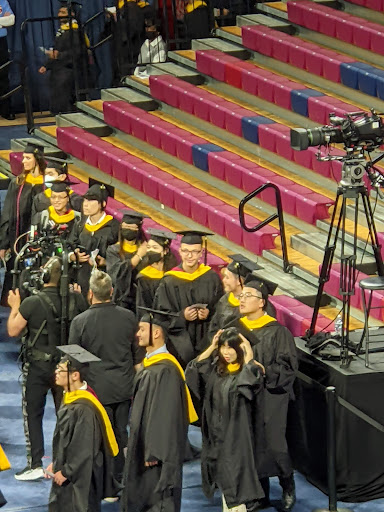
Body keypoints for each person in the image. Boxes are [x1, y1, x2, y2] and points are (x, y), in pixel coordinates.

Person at [7, 257, 87, 481]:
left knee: (33, 414)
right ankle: (65, 461)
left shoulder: (32, 302)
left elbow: (13, 330)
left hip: (38, 367)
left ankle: (35, 464)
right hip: (67, 368)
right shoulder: (77, 299)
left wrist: (15, 307)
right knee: (68, 414)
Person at [226, 277, 298, 511]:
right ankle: (259, 494)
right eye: (241, 295)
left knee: (275, 445)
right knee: (251, 443)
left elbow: (288, 368)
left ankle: (287, 484)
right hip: (245, 393)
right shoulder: (235, 327)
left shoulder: (278, 332)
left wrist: (266, 370)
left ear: (262, 302)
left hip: (271, 395)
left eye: (248, 296)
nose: (242, 299)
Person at [68, 269, 143, 485]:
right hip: (123, 387)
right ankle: (121, 476)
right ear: (111, 291)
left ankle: (105, 482)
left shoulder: (80, 322)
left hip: (95, 389)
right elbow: (136, 355)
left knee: (99, 435)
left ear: (90, 294)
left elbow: (75, 361)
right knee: (120, 432)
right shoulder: (129, 317)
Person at [121, 308, 198, 512]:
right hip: (145, 446)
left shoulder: (165, 370)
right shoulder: (151, 366)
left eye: (142, 329)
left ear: (156, 333)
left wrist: (154, 451)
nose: (137, 334)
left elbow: (165, 416)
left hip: (157, 454)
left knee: (157, 499)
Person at [186, 327, 265, 512]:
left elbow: (248, 388)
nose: (226, 352)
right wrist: (212, 346)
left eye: (231, 348)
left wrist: (249, 359)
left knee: (235, 479)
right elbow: (194, 370)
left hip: (236, 435)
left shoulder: (251, 371)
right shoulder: (217, 369)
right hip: (215, 433)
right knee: (223, 477)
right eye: (223, 347)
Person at [45, 345, 118, 512]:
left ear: (75, 375)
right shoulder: (71, 398)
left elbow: (84, 448)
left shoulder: (84, 408)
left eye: (61, 369)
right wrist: (56, 463)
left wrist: (66, 471)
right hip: (68, 471)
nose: (56, 372)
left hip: (80, 478)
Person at [153, 230, 223, 366]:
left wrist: (209, 314)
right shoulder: (169, 281)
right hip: (178, 345)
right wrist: (181, 316)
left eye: (194, 251)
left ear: (201, 253)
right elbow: (160, 316)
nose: (189, 256)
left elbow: (220, 310)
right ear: (179, 251)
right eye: (185, 251)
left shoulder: (211, 278)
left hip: (206, 341)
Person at [0, 142, 46, 301]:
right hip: (16, 240)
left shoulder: (47, 185)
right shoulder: (18, 182)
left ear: (37, 159)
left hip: (37, 239)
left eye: (27, 158)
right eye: (23, 158)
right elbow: (7, 214)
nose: (23, 161)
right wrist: (4, 244)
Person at [208, 254, 278, 339]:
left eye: (227, 277)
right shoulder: (224, 300)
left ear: (239, 281)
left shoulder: (263, 306)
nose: (223, 280)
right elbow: (214, 326)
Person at [38, 1, 90, 114]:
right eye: (59, 12)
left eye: (63, 12)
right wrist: (47, 65)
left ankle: (66, 113)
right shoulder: (63, 30)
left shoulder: (75, 31)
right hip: (60, 66)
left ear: (71, 14)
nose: (60, 15)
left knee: (63, 88)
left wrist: (59, 55)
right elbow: (57, 50)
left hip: (70, 67)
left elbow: (76, 52)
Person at [70, 183, 119, 296]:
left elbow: (119, 257)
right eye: (85, 200)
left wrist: (106, 262)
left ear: (103, 204)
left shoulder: (114, 227)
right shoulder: (80, 224)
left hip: (103, 281)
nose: (85, 205)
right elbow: (70, 244)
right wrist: (73, 256)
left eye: (91, 201)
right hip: (81, 279)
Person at [106, 210, 147, 311]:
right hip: (120, 300)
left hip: (141, 300)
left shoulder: (146, 250)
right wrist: (138, 256)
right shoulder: (113, 250)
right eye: (125, 226)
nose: (128, 229)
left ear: (138, 229)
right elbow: (117, 274)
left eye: (132, 227)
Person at [136, 227, 177, 313]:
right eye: (148, 247)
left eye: (155, 248)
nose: (150, 251)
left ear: (165, 251)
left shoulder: (174, 274)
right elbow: (142, 306)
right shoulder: (144, 277)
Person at [0, 0, 15, 120]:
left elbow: (11, 20)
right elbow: (6, 20)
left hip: (1, 42)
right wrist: (1, 22)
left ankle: (6, 110)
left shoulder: (2, 1)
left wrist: (6, 21)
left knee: (3, 75)